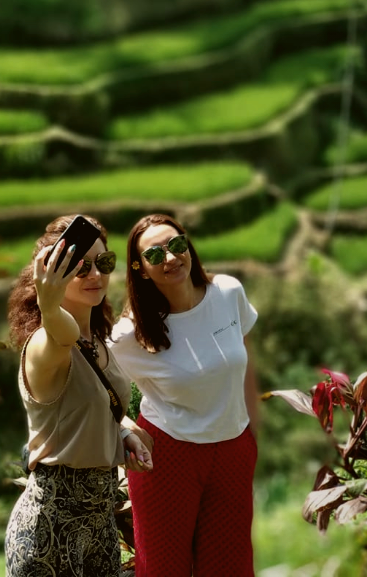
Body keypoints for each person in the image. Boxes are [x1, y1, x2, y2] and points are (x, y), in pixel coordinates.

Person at [111, 213, 260, 577]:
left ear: (188, 248)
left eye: (177, 246)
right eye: (155, 254)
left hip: (233, 450)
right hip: (167, 455)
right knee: (164, 569)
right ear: (141, 269)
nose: (171, 258)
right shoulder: (130, 334)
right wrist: (125, 424)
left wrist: (252, 435)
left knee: (231, 567)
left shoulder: (228, 292)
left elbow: (246, 364)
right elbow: (91, 382)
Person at [5, 214, 153, 577]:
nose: (95, 275)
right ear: (53, 273)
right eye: (79, 266)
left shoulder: (98, 345)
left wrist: (123, 433)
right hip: (48, 530)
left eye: (103, 263)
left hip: (100, 523)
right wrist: (50, 305)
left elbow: (95, 409)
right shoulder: (47, 342)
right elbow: (61, 333)